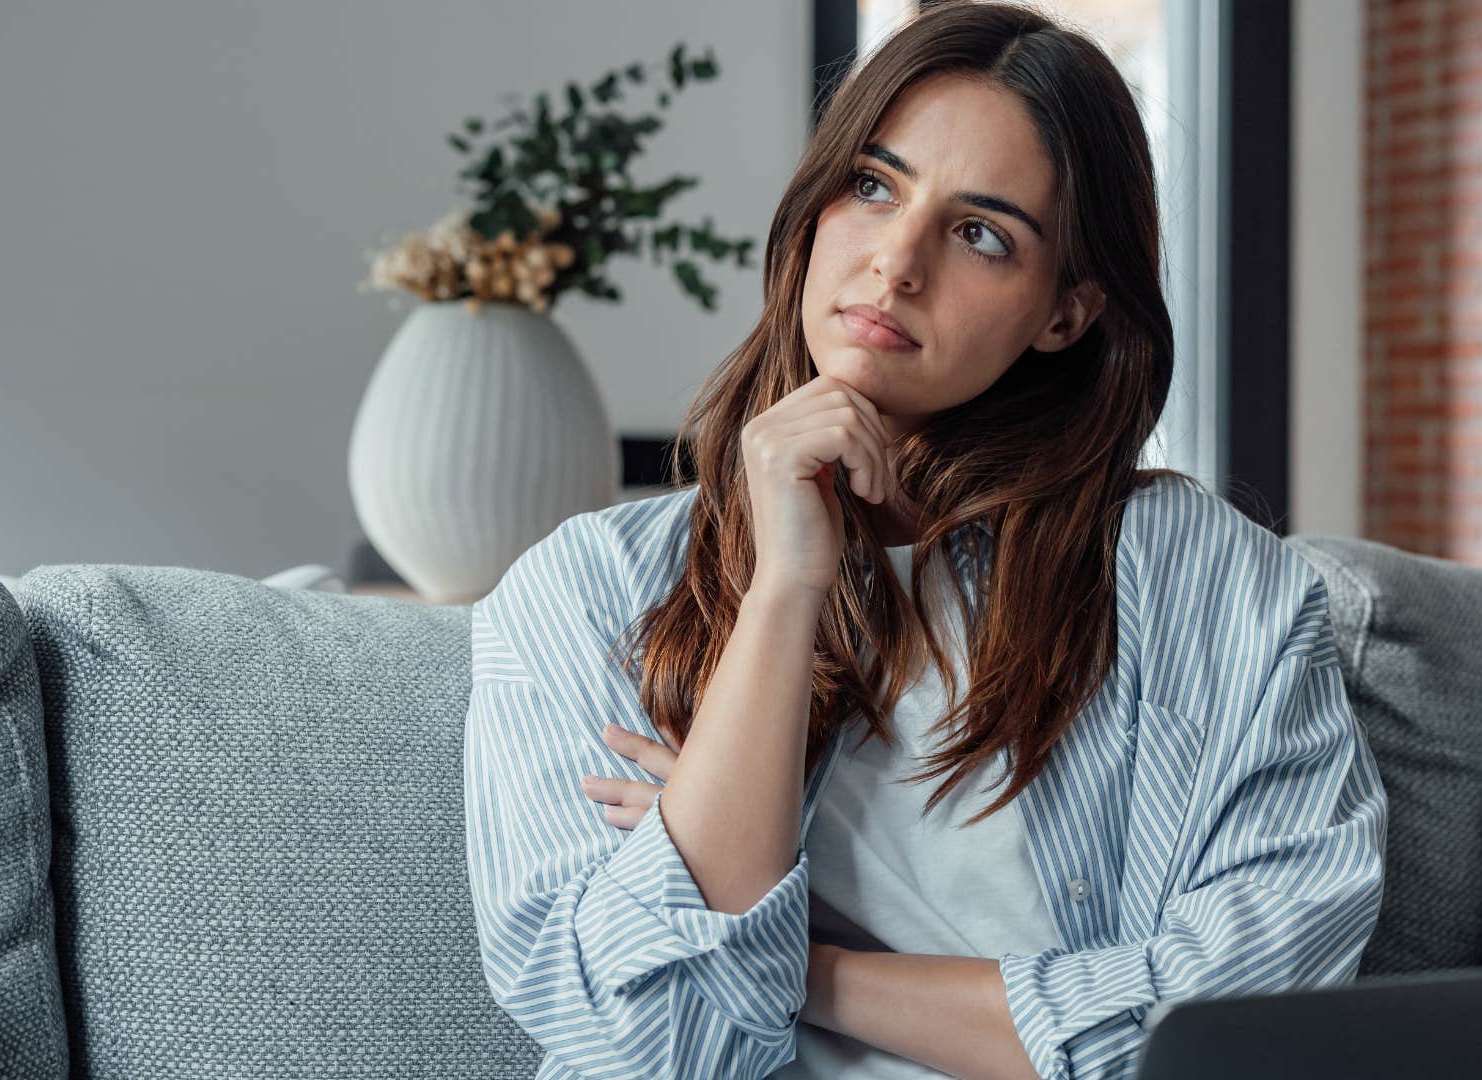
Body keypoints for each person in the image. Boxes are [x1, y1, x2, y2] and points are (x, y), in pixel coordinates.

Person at [461, 2, 1387, 1078]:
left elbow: (1234, 1032)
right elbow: (660, 1043)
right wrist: (783, 591)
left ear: (1066, 313)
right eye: (872, 186)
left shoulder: (1206, 585)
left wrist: (797, 962)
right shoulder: (586, 595)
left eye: (981, 233)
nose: (896, 264)